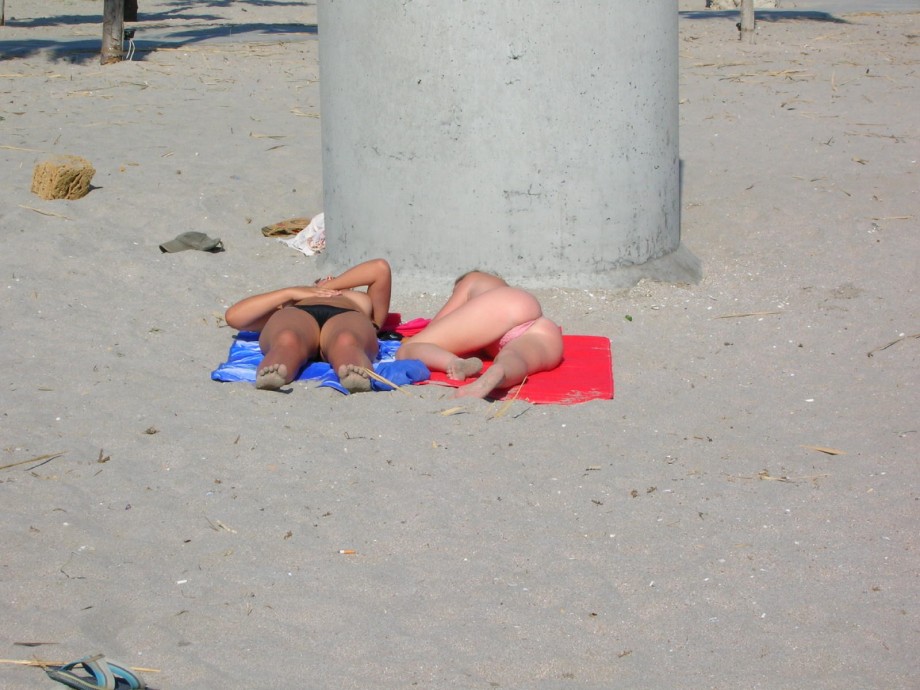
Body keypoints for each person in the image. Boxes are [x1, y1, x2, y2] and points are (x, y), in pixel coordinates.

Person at [224, 258, 391, 392]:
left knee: (346, 340)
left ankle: (352, 371)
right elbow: (234, 317)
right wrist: (289, 292)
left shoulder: (357, 297)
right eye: (323, 279)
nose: (328, 278)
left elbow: (380, 268)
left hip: (346, 315)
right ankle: (278, 369)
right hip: (301, 312)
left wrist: (330, 286)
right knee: (287, 337)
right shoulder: (297, 297)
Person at [396, 270, 563, 399]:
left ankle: (454, 363)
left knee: (407, 350)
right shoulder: (497, 292)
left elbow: (439, 323)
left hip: (508, 306)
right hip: (544, 329)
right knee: (515, 358)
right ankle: (501, 371)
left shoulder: (472, 279)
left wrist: (414, 339)